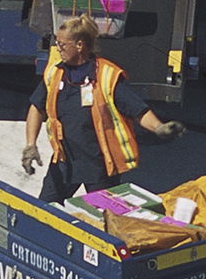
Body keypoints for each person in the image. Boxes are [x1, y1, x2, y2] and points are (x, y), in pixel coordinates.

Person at [21, 15, 186, 202]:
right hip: (64, 161)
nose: (58, 49)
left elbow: (137, 110)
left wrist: (159, 128)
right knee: (45, 210)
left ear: (79, 45)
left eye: (62, 45)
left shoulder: (108, 76)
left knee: (104, 217)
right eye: (57, 43)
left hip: (99, 167)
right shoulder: (55, 72)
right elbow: (37, 107)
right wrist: (30, 145)